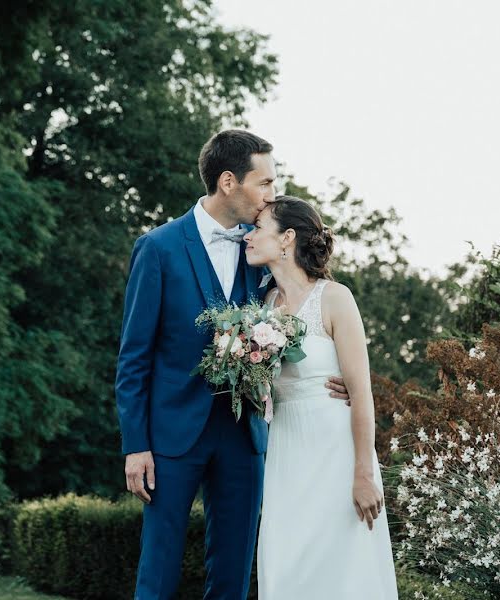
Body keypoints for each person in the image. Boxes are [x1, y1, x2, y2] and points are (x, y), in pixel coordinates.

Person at [115, 132, 349, 599]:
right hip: (171, 439)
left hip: (245, 438)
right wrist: (136, 444)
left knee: (233, 576)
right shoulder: (158, 248)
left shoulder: (262, 249)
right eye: (264, 183)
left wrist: (329, 375)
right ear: (228, 182)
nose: (271, 194)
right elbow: (134, 356)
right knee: (157, 570)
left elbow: (303, 304)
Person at [244, 196, 398, 599]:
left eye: (258, 227)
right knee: (287, 561)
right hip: (286, 450)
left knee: (343, 565)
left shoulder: (334, 298)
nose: (249, 235)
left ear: (287, 238)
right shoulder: (263, 308)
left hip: (337, 451)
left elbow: (362, 394)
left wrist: (363, 471)